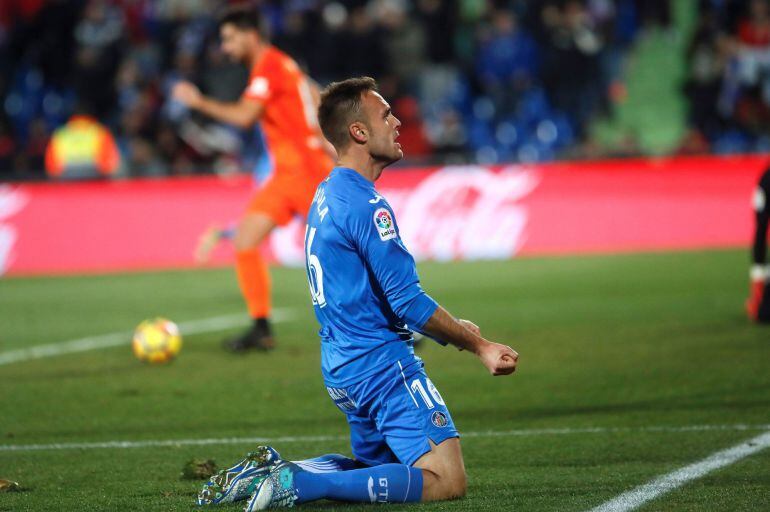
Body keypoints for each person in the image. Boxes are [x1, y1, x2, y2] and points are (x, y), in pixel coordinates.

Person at [195, 77, 519, 510]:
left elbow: (370, 292)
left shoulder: (327, 194)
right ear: (359, 132)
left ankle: (270, 471)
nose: (399, 121)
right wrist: (478, 345)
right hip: (381, 367)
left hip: (343, 367)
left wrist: (454, 326)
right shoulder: (368, 207)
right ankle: (304, 483)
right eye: (386, 114)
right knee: (445, 479)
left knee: (376, 471)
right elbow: (407, 302)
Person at [172, 5, 333, 352]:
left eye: (230, 39)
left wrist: (198, 101)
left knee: (346, 253)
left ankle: (401, 323)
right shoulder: (280, 65)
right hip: (288, 174)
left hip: (308, 172)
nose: (225, 48)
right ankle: (261, 328)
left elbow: (245, 116)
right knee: (246, 240)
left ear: (250, 35)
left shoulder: (270, 66)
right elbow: (314, 92)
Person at [44, 104, 120, 180]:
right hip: (95, 183)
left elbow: (51, 168)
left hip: (66, 184)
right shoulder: (100, 132)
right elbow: (110, 165)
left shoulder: (60, 134)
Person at [747, 165, 770, 323]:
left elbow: (760, 229)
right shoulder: (766, 180)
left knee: (763, 314)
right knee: (764, 314)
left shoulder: (766, 179)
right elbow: (760, 228)